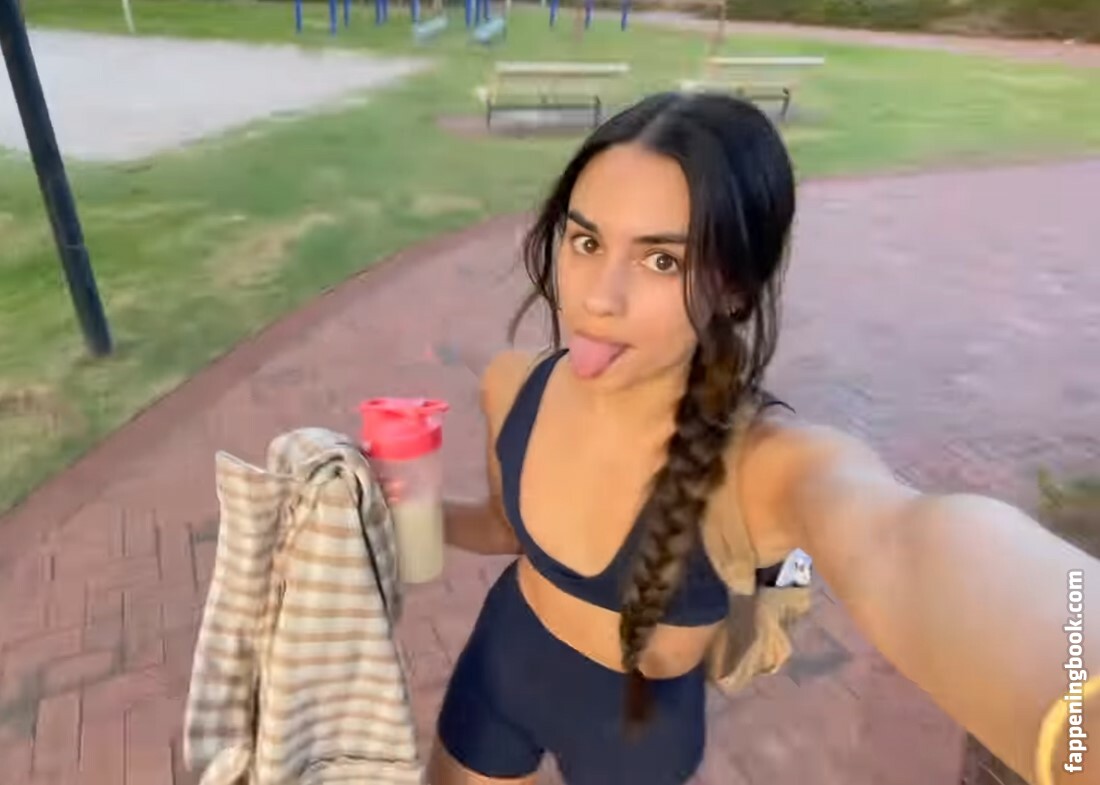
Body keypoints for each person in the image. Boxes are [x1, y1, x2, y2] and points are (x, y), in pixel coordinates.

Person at [421, 92, 1098, 784]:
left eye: (662, 261)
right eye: (587, 242)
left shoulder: (761, 467)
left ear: (735, 290)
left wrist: (1079, 691)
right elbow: (504, 528)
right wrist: (407, 517)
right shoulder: (514, 385)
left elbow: (901, 543)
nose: (598, 297)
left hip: (631, 734)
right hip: (499, 666)